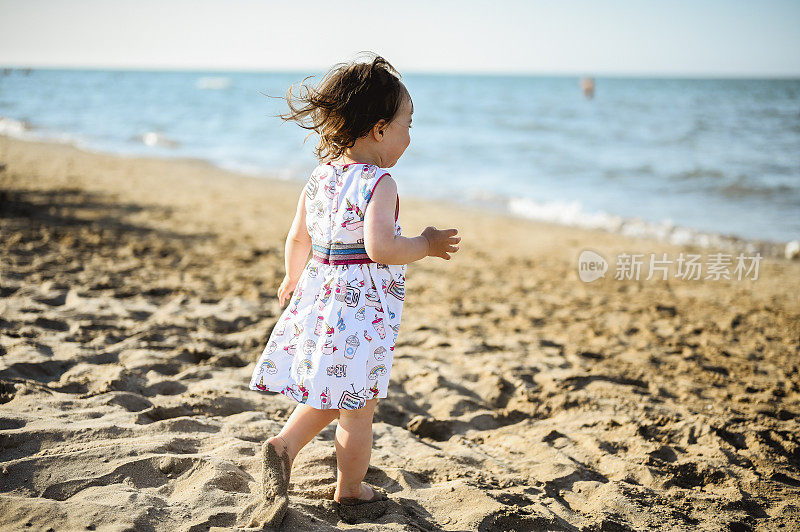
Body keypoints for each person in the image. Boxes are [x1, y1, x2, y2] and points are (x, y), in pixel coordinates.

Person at [238, 52, 461, 527]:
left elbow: (298, 237)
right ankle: (351, 490)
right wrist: (424, 243)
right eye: (407, 124)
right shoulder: (379, 182)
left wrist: (292, 277)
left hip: (321, 296)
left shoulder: (319, 177)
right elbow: (381, 248)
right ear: (380, 130)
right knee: (358, 408)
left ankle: (284, 446)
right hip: (360, 310)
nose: (409, 135)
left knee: (333, 388)